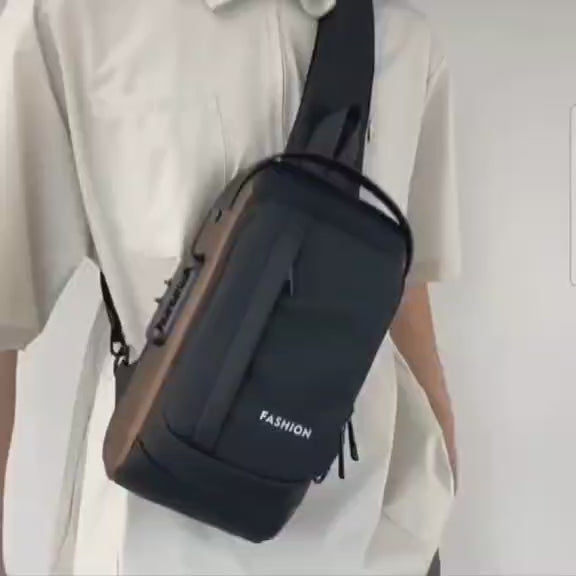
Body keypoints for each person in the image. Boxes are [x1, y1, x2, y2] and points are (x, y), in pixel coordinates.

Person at [0, 0, 460, 574]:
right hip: (160, 540)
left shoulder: (403, 41)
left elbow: (402, 285)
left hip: (374, 539)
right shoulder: (69, 19)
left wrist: (438, 475)